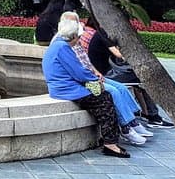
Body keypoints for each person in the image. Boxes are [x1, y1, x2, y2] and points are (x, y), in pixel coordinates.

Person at [42, 16, 130, 158]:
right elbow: (79, 71)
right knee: (105, 99)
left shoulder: (58, 45)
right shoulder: (63, 47)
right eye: (78, 37)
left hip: (64, 88)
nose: (79, 40)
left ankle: (110, 139)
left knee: (103, 97)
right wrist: (95, 80)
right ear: (73, 36)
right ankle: (110, 143)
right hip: (67, 90)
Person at [61, 12, 152, 145]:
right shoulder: (64, 44)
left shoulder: (76, 40)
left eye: (76, 22)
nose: (77, 27)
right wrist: (93, 79)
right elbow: (76, 71)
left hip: (92, 75)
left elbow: (87, 62)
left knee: (121, 88)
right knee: (113, 92)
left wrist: (97, 73)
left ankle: (132, 122)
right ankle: (125, 128)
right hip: (85, 80)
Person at [83, 17, 175, 129]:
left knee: (138, 79)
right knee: (143, 77)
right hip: (106, 74)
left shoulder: (102, 33)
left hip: (106, 71)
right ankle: (153, 117)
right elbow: (119, 54)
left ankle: (148, 114)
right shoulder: (103, 34)